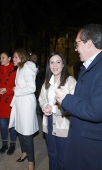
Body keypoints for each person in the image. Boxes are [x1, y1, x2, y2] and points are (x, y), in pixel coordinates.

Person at [55, 23, 102, 170]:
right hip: (82, 140)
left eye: (77, 43)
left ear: (89, 43)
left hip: (91, 147)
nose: (75, 48)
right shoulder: (89, 65)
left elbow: (96, 110)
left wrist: (66, 99)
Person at [38, 52, 76, 170]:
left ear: (63, 64)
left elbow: (73, 106)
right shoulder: (46, 82)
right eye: (52, 62)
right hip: (49, 122)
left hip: (63, 124)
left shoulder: (70, 81)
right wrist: (45, 107)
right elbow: (41, 99)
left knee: (62, 158)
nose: (55, 65)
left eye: (58, 62)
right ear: (49, 65)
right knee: (52, 155)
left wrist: (53, 108)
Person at [9, 49, 39, 170]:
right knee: (19, 129)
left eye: (16, 57)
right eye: (13, 57)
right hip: (20, 102)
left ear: (22, 57)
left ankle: (31, 161)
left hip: (26, 103)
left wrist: (16, 90)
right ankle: (24, 152)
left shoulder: (28, 67)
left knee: (26, 132)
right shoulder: (20, 68)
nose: (14, 59)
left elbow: (32, 87)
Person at [0, 52, 17, 155]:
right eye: (0, 57)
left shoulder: (15, 70)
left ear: (9, 58)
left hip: (11, 103)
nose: (1, 59)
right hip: (0, 103)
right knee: (2, 125)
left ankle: (12, 144)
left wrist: (7, 90)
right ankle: (4, 143)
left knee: (12, 125)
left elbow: (18, 87)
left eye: (3, 57)